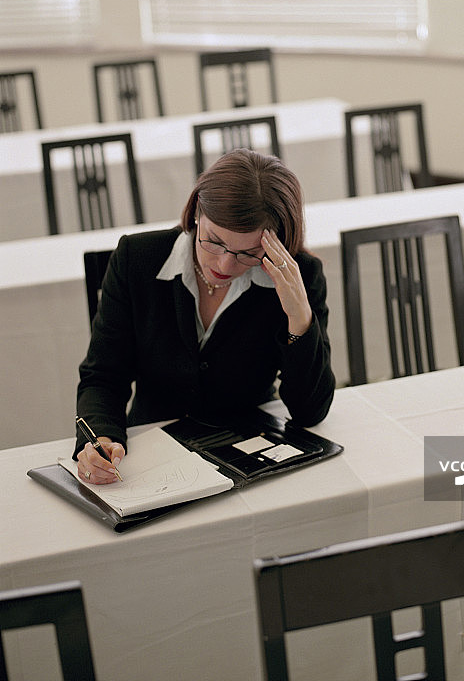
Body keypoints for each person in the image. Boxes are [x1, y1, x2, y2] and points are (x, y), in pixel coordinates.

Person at [74, 149, 335, 484]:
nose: (225, 265)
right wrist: (100, 437)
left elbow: (310, 412)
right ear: (197, 211)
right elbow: (103, 376)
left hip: (248, 452)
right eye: (214, 242)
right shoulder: (136, 258)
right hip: (149, 450)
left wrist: (299, 318)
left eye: (248, 253)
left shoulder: (299, 276)